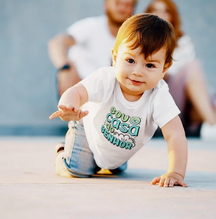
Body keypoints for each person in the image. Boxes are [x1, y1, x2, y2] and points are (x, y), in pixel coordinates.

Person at [49, 14, 188, 187]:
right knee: (79, 169)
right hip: (88, 129)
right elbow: (77, 91)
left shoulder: (158, 95)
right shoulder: (105, 79)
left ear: (164, 69)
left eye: (150, 65)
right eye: (130, 60)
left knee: (114, 168)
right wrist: (70, 105)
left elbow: (175, 135)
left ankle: (109, 162)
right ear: (115, 58)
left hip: (118, 148)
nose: (137, 71)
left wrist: (175, 172)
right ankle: (63, 152)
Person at [48, 0, 137, 97]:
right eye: (117, 3)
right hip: (79, 89)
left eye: (127, 4)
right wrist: (65, 67)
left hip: (110, 96)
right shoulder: (91, 26)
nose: (122, 8)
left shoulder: (136, 37)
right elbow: (57, 43)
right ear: (106, 5)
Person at [145, 0, 216, 139]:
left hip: (180, 102)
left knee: (193, 66)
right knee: (191, 66)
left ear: (172, 16)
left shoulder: (183, 43)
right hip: (154, 100)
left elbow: (189, 79)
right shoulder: (141, 41)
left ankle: (211, 124)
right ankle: (212, 122)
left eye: (165, 11)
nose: (160, 15)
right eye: (155, 11)